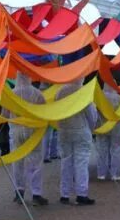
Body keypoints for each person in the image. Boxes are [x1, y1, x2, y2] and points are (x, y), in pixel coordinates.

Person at [56, 77, 98, 204]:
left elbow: (55, 111)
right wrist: (91, 128)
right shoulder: (83, 91)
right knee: (81, 163)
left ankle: (64, 194)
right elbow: (91, 115)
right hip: (81, 130)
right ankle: (81, 194)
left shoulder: (60, 92)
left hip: (64, 130)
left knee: (65, 162)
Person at [10, 72, 49, 206]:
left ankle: (19, 191)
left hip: (16, 130)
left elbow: (5, 113)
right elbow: (44, 112)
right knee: (35, 162)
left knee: (17, 161)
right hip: (33, 130)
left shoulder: (11, 94)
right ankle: (36, 193)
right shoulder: (37, 93)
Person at [96, 84, 120, 181]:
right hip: (116, 127)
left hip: (102, 127)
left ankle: (101, 174)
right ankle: (115, 174)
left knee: (102, 149)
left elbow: (95, 112)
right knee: (116, 150)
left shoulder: (99, 98)